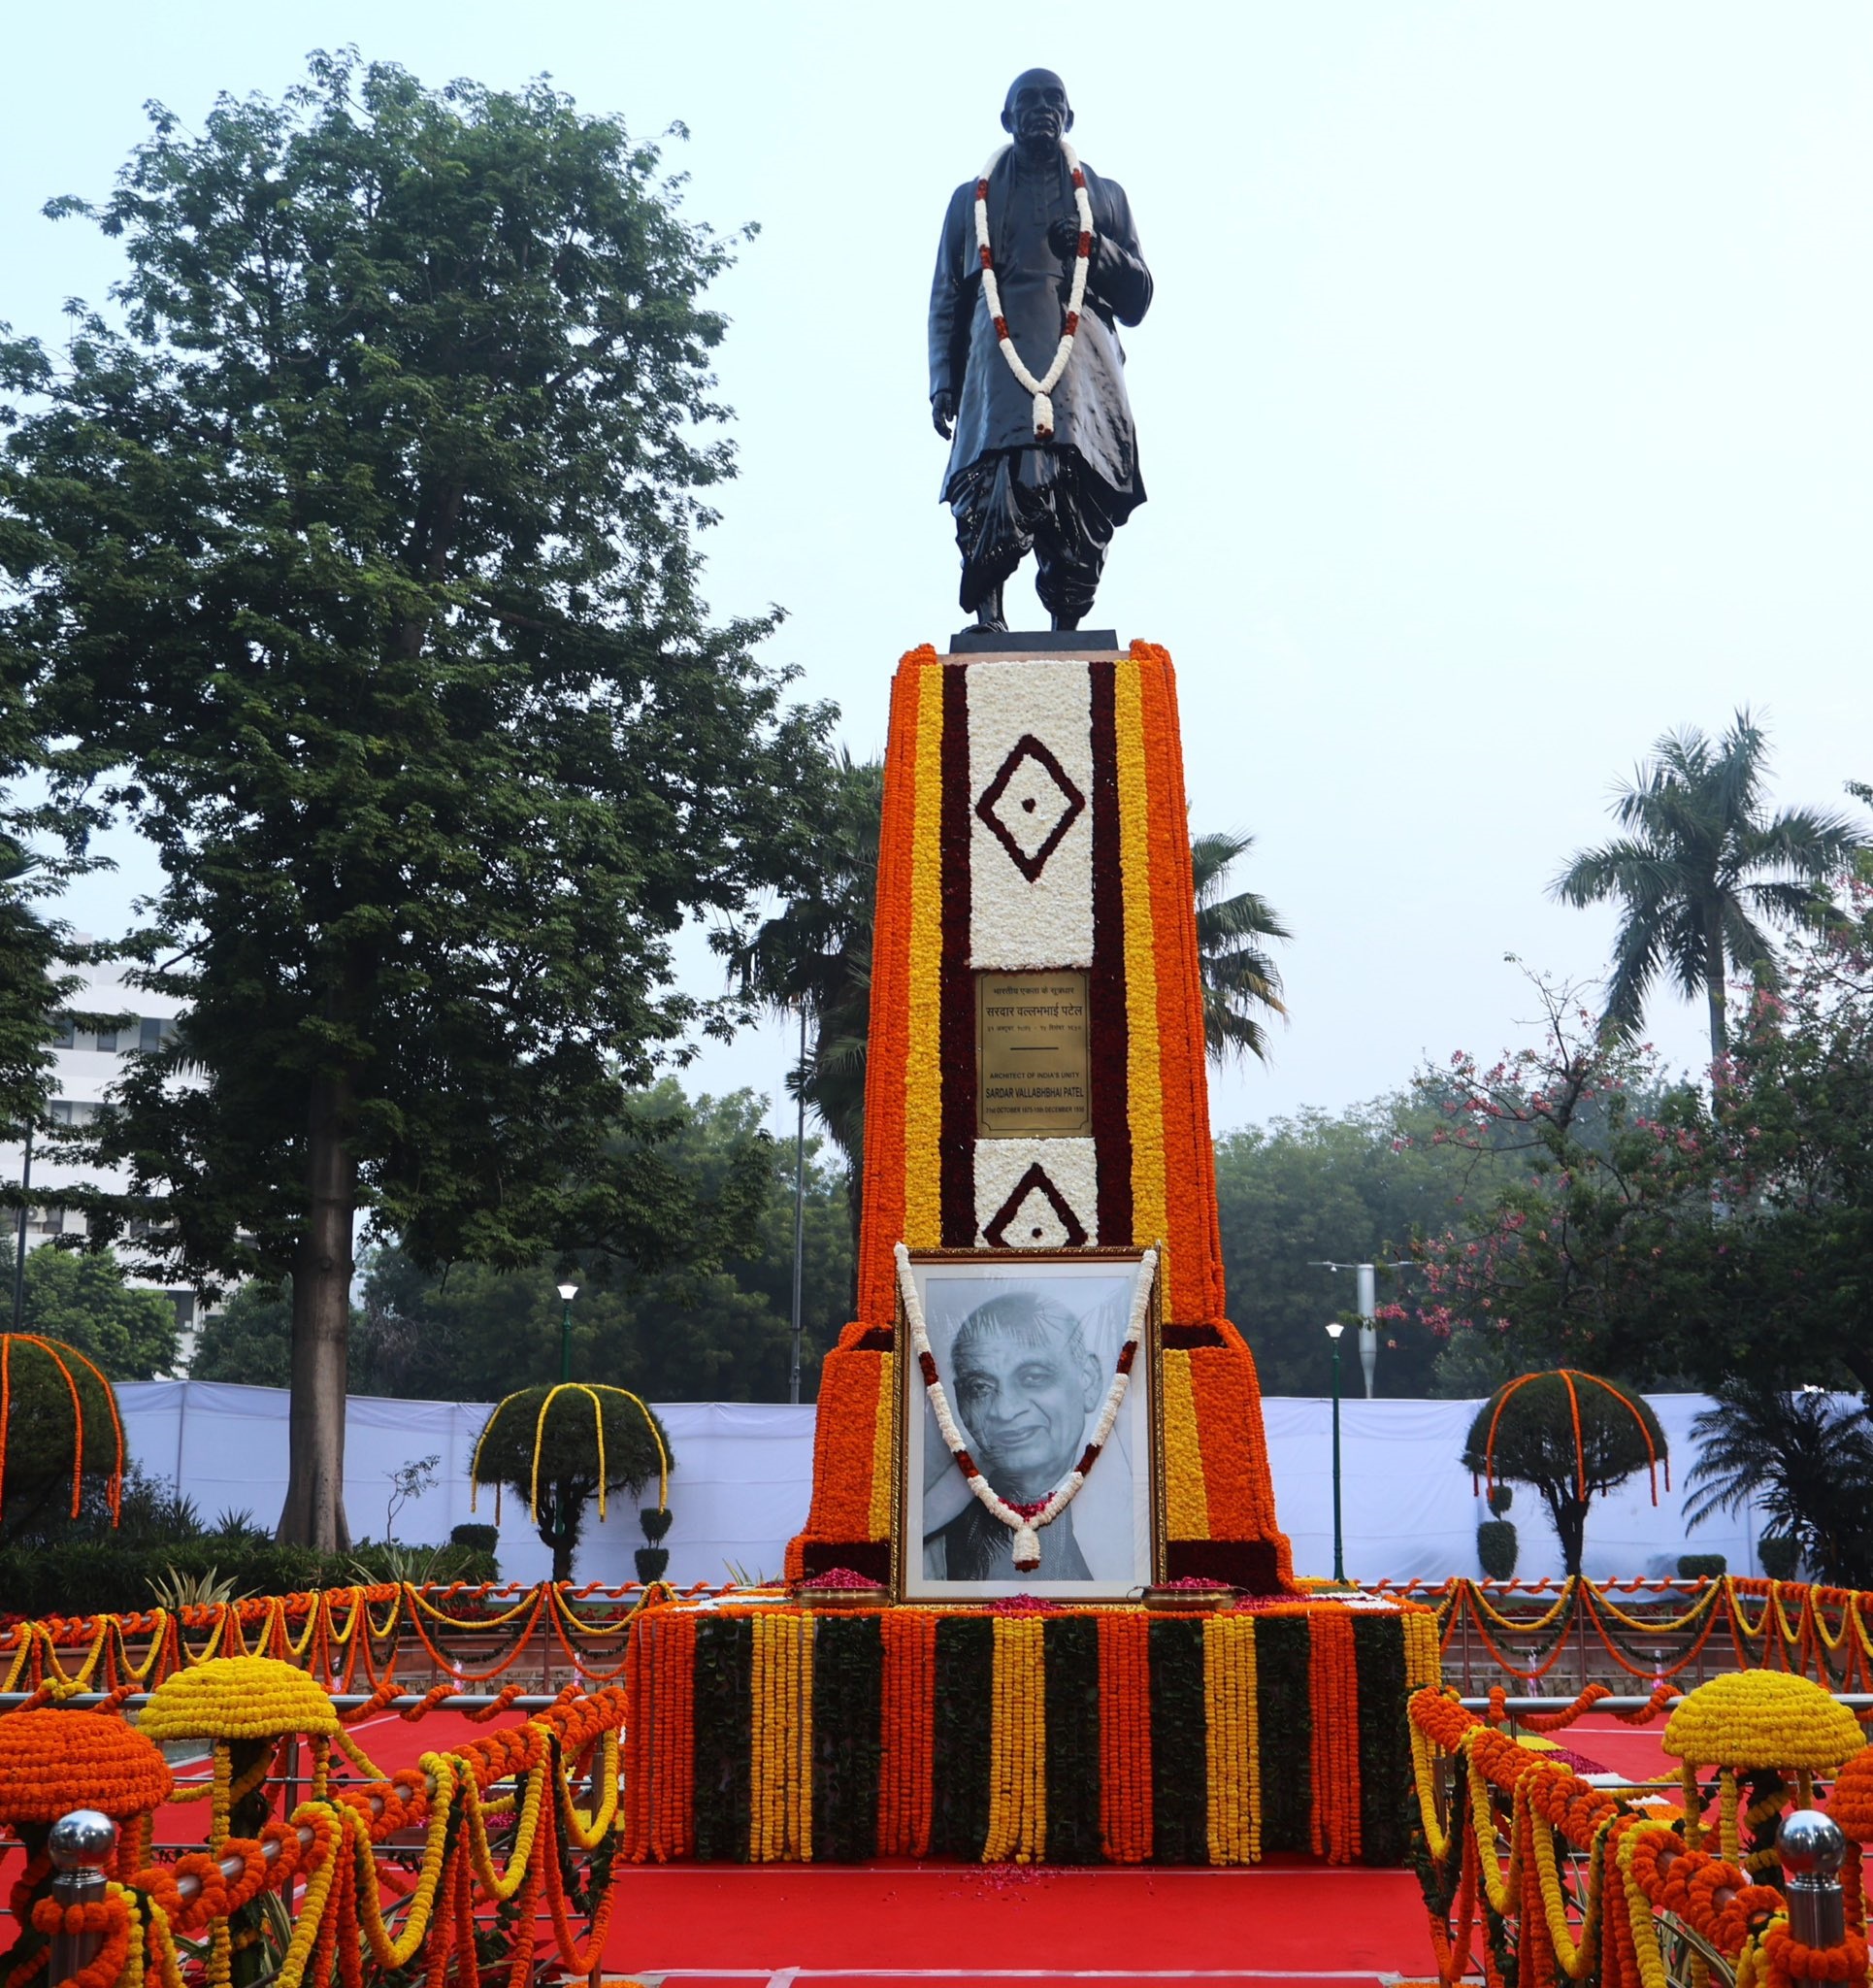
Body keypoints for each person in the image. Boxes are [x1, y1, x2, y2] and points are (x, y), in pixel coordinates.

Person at [928, 69, 1153, 634]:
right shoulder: (969, 201)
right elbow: (947, 299)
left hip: (1081, 370)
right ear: (1007, 118)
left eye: (1054, 100)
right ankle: (988, 616)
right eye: (1027, 101)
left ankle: (1067, 627)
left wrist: (1091, 247)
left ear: (1069, 116)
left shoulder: (1104, 196)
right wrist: (943, 381)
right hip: (996, 370)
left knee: (1078, 489)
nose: (1041, 109)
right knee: (997, 479)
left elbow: (1139, 297)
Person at [923, 1288, 1103, 1580]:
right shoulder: (932, 1530)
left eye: (1033, 1377)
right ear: (958, 1400)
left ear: (1089, 1381)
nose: (1005, 1411)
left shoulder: (1138, 1505)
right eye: (980, 1387)